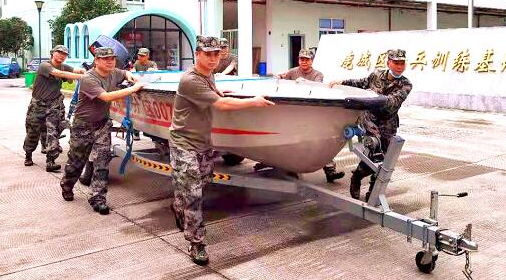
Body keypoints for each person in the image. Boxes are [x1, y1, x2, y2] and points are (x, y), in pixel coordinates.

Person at [169, 35, 274, 266]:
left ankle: (179, 204)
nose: (213, 58)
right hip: (184, 143)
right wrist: (253, 101)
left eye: (216, 54)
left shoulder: (209, 74)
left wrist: (219, 92)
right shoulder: (190, 80)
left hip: (204, 142)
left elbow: (215, 95)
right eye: (208, 54)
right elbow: (222, 105)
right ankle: (196, 242)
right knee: (194, 195)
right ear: (197, 54)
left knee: (202, 183)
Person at [59, 47, 144, 215]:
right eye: (105, 59)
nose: (110, 62)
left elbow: (123, 72)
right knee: (76, 162)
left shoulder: (113, 72)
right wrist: (134, 88)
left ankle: (98, 198)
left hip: (102, 124)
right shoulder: (88, 78)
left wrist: (131, 76)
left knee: (102, 163)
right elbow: (107, 97)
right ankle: (67, 184)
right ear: (96, 61)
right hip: (83, 126)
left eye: (112, 58)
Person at [329, 49, 412, 201]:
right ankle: (357, 178)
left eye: (402, 63)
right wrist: (342, 82)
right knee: (373, 152)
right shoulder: (376, 75)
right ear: (388, 63)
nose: (400, 66)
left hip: (388, 124)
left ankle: (372, 192)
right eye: (396, 63)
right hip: (370, 120)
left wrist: (369, 99)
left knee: (384, 160)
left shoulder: (406, 85)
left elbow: (392, 102)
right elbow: (361, 83)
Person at [275, 48, 344, 183]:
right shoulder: (292, 72)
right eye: (302, 59)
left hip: (313, 113)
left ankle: (330, 171)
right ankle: (291, 170)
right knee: (292, 142)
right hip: (293, 113)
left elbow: (318, 87)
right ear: (298, 60)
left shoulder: (318, 74)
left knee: (321, 141)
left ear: (312, 61)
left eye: (307, 59)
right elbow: (280, 83)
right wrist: (279, 77)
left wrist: (304, 82)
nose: (304, 62)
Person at [23, 45, 85, 171]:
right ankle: (28, 155)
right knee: (32, 133)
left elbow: (76, 70)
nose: (62, 56)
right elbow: (59, 73)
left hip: (54, 105)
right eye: (59, 53)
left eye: (65, 54)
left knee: (53, 132)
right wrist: (81, 77)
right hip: (38, 105)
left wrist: (86, 71)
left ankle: (51, 161)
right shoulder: (45, 65)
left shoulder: (64, 66)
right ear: (53, 53)